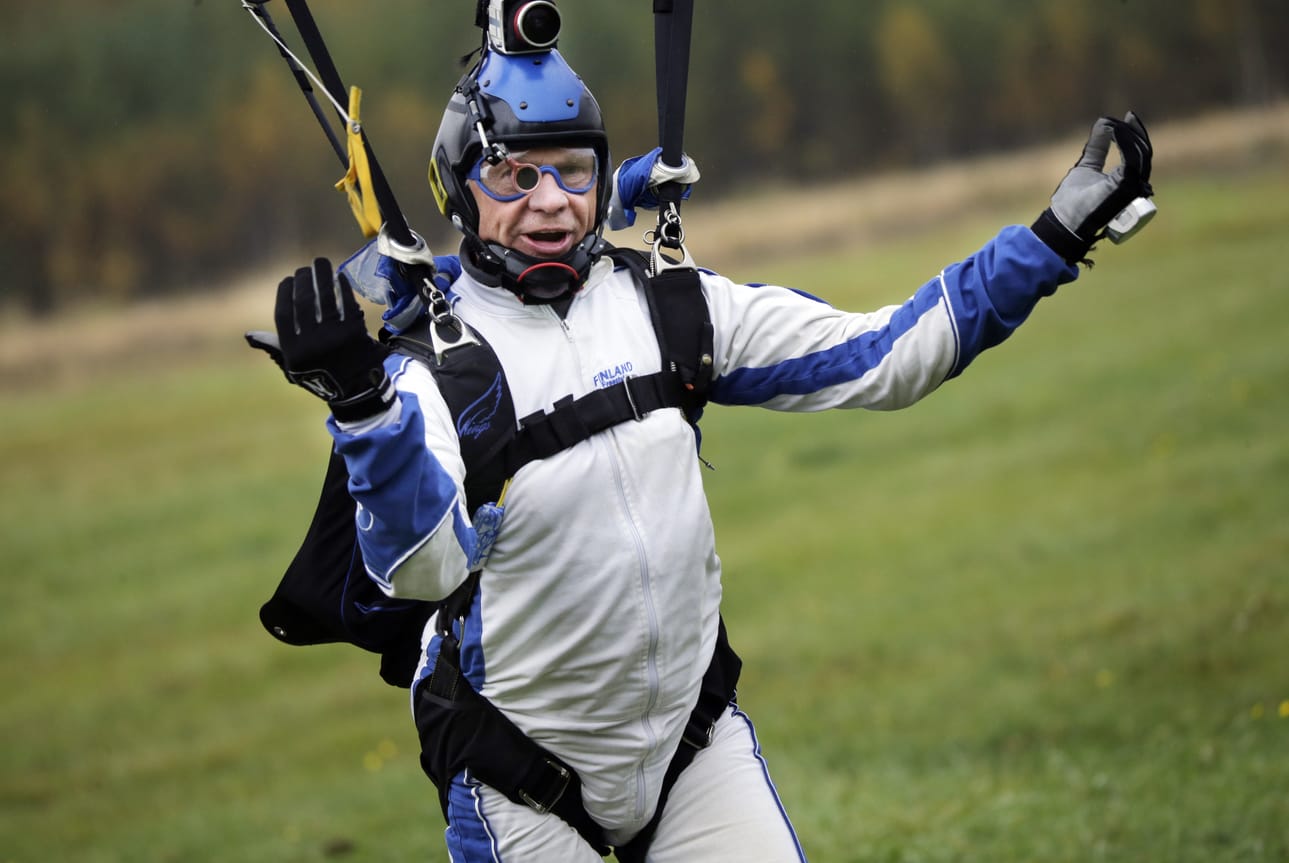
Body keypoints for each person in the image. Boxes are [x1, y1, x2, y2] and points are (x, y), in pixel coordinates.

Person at [252, 38, 1153, 863]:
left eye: (572, 171)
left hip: (692, 748)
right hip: (516, 781)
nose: (552, 203)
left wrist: (1051, 238)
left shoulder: (670, 305)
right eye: (513, 176)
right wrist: (367, 415)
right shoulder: (430, 372)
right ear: (458, 187)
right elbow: (420, 569)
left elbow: (886, 355)